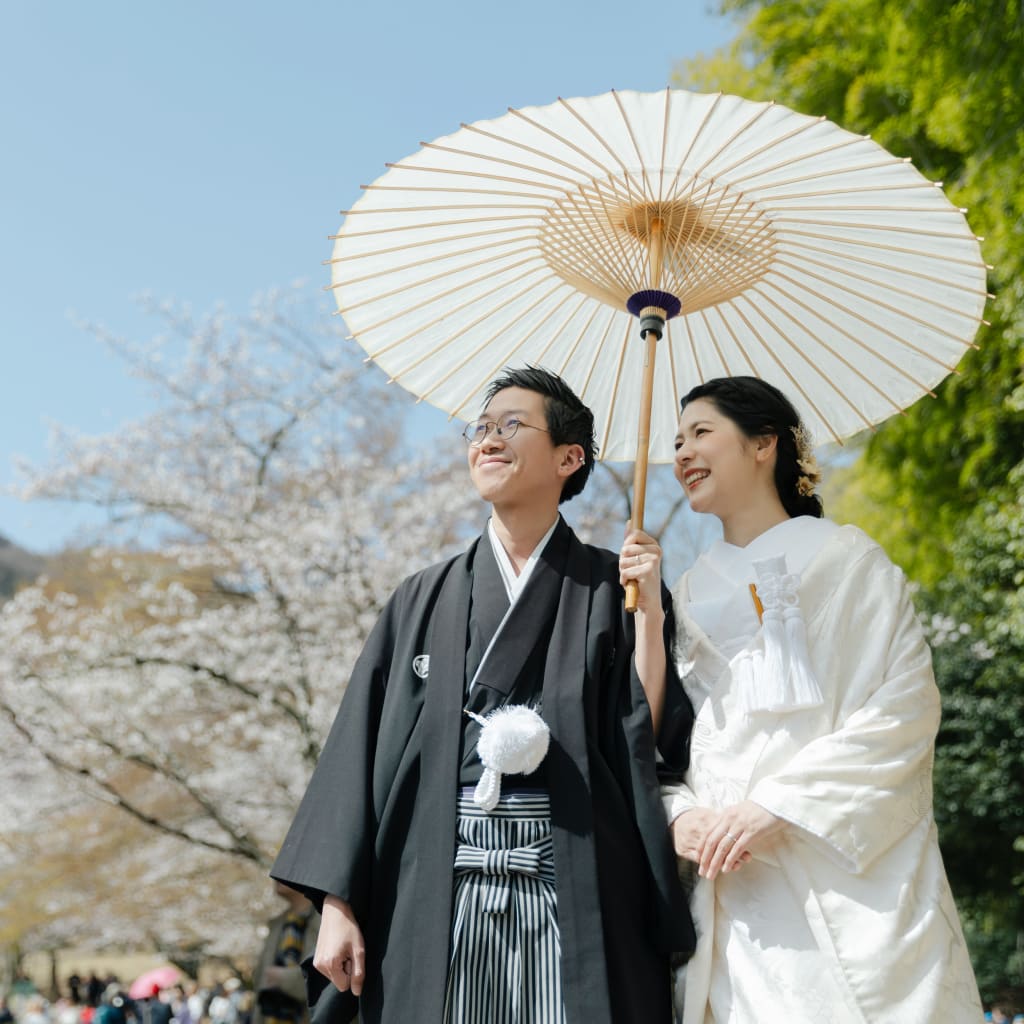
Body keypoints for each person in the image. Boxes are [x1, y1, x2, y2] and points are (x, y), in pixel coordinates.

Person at [271, 366, 695, 1023]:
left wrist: (650, 620)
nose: (488, 441)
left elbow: (647, 740)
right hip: (436, 883)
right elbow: (360, 756)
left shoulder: (617, 589)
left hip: (574, 877)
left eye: (512, 425)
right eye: (482, 428)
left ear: (568, 458)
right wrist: (337, 904)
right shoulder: (422, 598)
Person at [653, 375, 982, 1021]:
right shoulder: (683, 592)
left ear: (764, 444)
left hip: (842, 862)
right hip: (730, 874)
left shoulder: (848, 560)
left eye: (701, 432)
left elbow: (904, 707)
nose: (682, 453)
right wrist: (681, 812)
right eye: (676, 442)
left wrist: (778, 804)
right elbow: (666, 736)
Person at [252, 882, 319, 1024]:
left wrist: (284, 978)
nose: (275, 875)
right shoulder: (277, 924)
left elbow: (329, 978)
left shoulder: (328, 918)